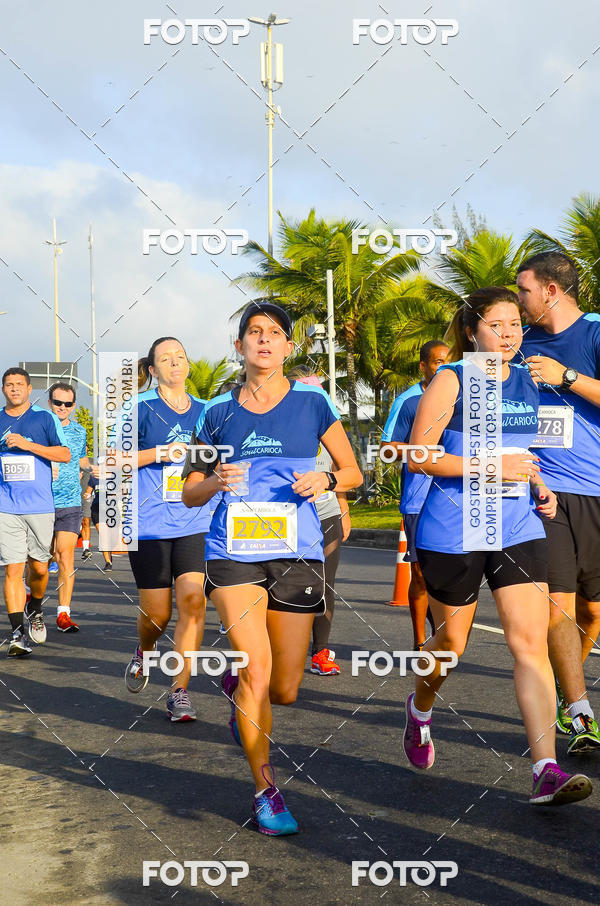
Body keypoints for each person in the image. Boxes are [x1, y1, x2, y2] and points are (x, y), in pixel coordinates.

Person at [403, 287, 592, 806]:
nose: (508, 335)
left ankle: (545, 768)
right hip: (455, 527)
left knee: (529, 644)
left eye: (515, 325)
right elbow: (420, 455)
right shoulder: (453, 379)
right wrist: (492, 467)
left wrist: (539, 486)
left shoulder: (527, 381)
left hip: (516, 523)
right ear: (472, 331)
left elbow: (521, 453)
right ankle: (420, 709)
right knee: (451, 648)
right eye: (496, 325)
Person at [182, 302, 362, 834]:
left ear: (287, 347)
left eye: (275, 334)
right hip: (232, 550)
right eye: (254, 333)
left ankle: (242, 682)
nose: (264, 341)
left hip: (299, 549)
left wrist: (327, 482)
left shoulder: (313, 403)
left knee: (283, 686)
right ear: (239, 347)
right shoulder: (215, 413)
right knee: (258, 673)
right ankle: (266, 791)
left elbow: (352, 469)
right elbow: (191, 492)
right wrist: (216, 480)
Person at [518, 251, 600, 754]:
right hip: (543, 492)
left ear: (550, 290)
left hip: (596, 490)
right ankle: (579, 710)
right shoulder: (517, 344)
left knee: (593, 612)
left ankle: (564, 686)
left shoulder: (593, 334)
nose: (518, 299)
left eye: (524, 289)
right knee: (557, 609)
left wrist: (566, 378)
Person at [124, 337, 211, 723]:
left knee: (193, 603)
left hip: (197, 521)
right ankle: (145, 650)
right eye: (165, 359)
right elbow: (110, 460)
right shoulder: (137, 408)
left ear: (188, 365)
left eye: (180, 356)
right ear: (153, 369)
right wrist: (160, 453)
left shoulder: (210, 413)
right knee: (157, 615)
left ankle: (179, 691)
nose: (174, 363)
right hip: (149, 524)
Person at [380, 340, 449, 648]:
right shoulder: (408, 401)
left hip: (455, 498)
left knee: (447, 576)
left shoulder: (463, 397)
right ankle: (420, 642)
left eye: (448, 361)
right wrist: (426, 451)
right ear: (424, 366)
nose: (444, 367)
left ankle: (444, 637)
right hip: (419, 500)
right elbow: (386, 450)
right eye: (437, 362)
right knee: (421, 575)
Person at [286, 364, 351, 676]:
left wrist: (344, 510)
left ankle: (320, 652)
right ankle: (285, 651)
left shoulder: (328, 426)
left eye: (317, 392)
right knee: (288, 585)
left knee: (326, 585)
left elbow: (343, 473)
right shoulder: (281, 424)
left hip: (326, 516)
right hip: (286, 520)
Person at [0, 368, 70, 655]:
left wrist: (27, 445)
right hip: (6, 506)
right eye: (8, 385)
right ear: (4, 389)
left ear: (29, 389)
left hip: (40, 506)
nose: (14, 389)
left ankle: (36, 606)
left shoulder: (44, 418)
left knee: (39, 568)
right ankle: (18, 634)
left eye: (19, 384)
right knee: (13, 569)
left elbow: (64, 454)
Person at [47, 382, 90, 632]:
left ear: (73, 406)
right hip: (40, 502)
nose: (62, 407)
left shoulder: (80, 431)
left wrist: (95, 468)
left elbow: (81, 460)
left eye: (68, 404)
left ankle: (64, 614)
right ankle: (33, 597)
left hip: (71, 501)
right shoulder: (39, 428)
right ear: (50, 402)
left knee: (65, 556)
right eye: (58, 402)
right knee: (40, 562)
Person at [80, 466, 93, 561]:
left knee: (86, 521)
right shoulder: (67, 464)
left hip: (84, 498)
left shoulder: (89, 467)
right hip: (70, 497)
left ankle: (86, 548)